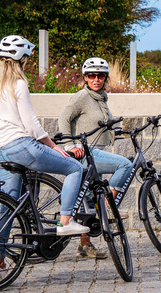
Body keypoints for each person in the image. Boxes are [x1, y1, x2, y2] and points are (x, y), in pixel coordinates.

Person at [0, 35, 90, 279]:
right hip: (22, 146)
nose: (28, 62)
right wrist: (53, 146)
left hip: (0, 150)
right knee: (75, 168)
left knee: (8, 206)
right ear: (20, 59)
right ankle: (65, 221)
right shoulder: (19, 84)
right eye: (27, 58)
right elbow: (31, 125)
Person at [59, 57, 133, 259]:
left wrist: (121, 132)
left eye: (100, 76)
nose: (96, 79)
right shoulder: (81, 97)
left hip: (96, 154)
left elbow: (104, 125)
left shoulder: (101, 99)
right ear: (85, 77)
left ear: (105, 78)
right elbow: (63, 119)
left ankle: (85, 246)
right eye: (91, 75)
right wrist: (70, 146)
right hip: (86, 153)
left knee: (88, 201)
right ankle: (109, 210)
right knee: (125, 166)